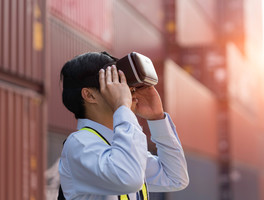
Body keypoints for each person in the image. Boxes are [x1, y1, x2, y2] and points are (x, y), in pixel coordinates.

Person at [58, 52, 189, 200]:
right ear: (89, 95)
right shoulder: (80, 144)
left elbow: (175, 178)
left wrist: (157, 119)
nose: (128, 91)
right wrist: (123, 108)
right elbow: (128, 178)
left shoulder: (118, 145)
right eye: (115, 84)